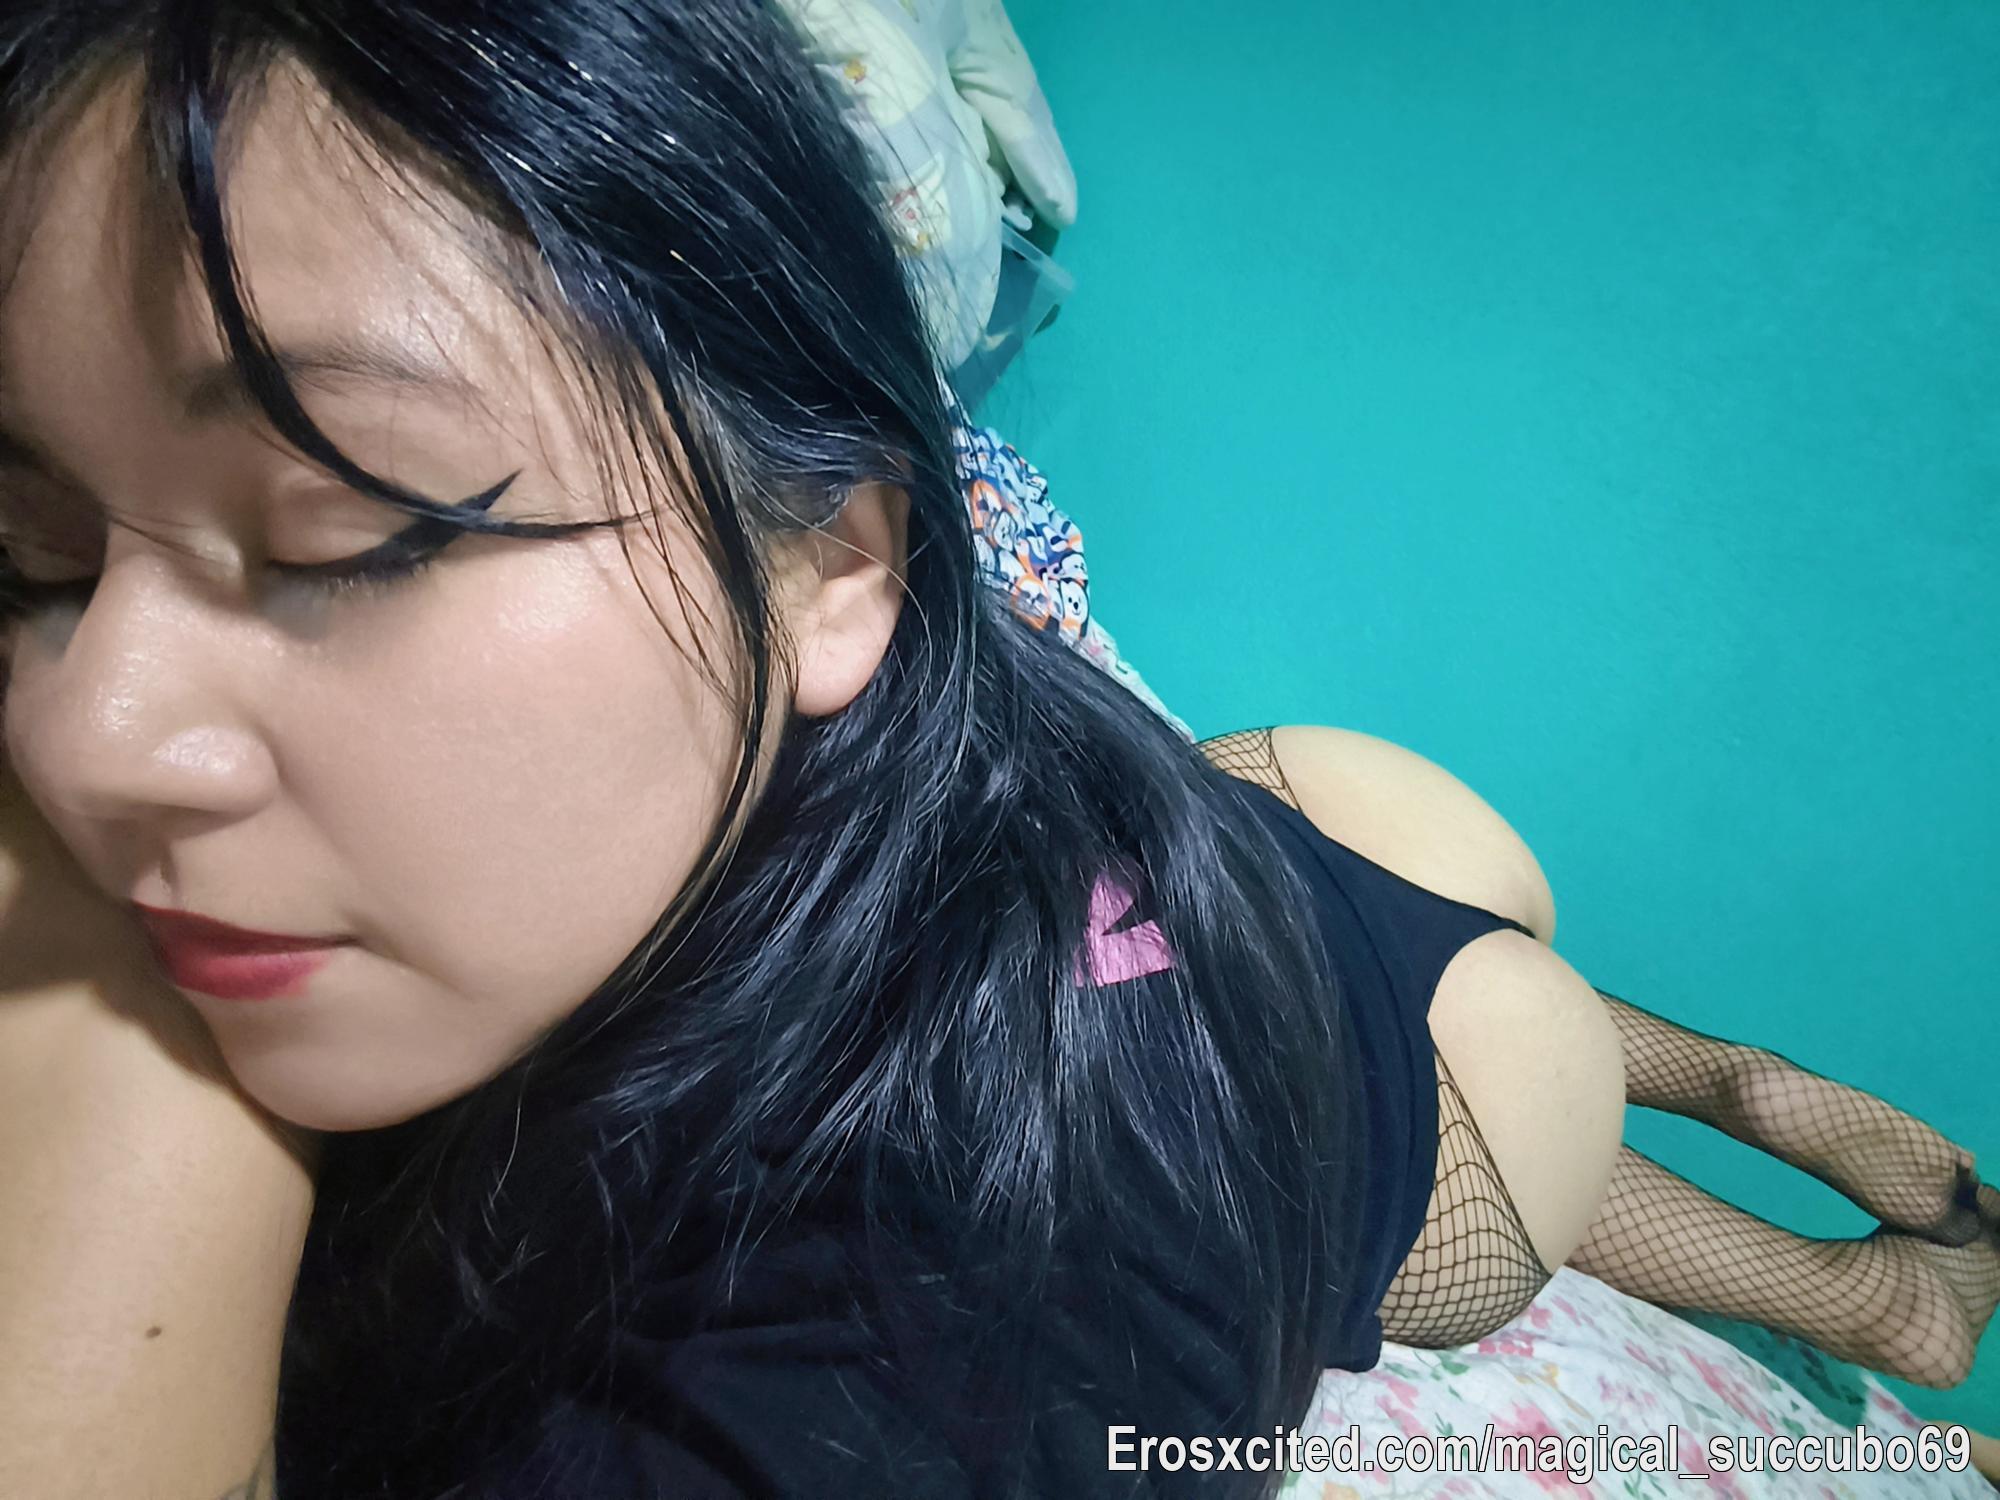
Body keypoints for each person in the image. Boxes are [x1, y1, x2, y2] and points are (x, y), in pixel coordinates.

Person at [0, 4, 1989, 1498]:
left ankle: (1819, 1259)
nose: (85, 735)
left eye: (352, 530)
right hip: (1238, 818)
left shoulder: (995, 1296)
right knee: (1333, 908)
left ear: (839, 556)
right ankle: (1777, 1141)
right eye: (31, 555)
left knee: (1474, 1091)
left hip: (1449, 1055)